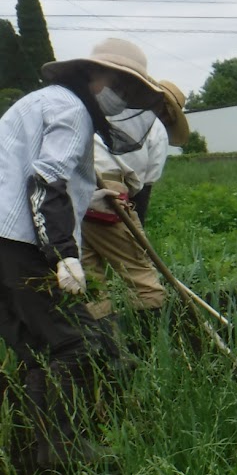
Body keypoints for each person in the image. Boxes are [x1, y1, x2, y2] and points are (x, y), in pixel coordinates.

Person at [0, 37, 166, 467]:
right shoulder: (73, 111)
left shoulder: (44, 102)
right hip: (18, 243)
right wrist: (62, 254)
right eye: (120, 85)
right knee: (75, 343)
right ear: (94, 76)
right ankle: (63, 449)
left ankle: (28, 449)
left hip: (6, 239)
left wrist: (92, 197)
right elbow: (45, 181)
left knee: (34, 347)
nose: (122, 98)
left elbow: (30, 176)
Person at [80, 80, 190, 331]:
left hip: (74, 193)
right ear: (168, 113)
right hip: (109, 198)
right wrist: (138, 234)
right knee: (141, 275)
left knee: (90, 279)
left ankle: (103, 347)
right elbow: (143, 186)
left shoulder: (106, 112)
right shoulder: (155, 127)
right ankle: (153, 339)